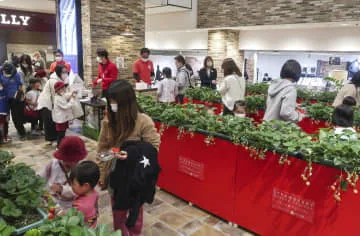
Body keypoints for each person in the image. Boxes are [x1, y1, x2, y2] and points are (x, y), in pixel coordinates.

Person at [96, 79, 160, 235]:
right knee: (118, 211)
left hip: (135, 177)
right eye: (110, 101)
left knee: (135, 214)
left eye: (114, 101)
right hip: (115, 176)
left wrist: (131, 154)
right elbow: (102, 148)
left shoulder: (143, 121)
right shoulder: (108, 121)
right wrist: (102, 174)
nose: (111, 104)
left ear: (126, 102)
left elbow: (153, 148)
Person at [40, 136, 88, 209]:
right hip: (51, 204)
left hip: (69, 206)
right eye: (70, 160)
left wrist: (61, 189)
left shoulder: (81, 169)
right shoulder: (52, 165)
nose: (73, 163)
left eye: (76, 160)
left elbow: (81, 190)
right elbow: (40, 180)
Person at [38, 64, 70, 145]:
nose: (65, 73)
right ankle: (54, 140)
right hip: (47, 102)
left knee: (54, 121)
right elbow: (55, 95)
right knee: (50, 121)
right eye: (63, 72)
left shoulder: (59, 78)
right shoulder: (54, 81)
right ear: (58, 72)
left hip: (52, 101)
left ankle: (56, 139)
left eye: (66, 72)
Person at [70, 161, 100, 228]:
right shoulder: (95, 193)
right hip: (92, 225)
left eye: (73, 184)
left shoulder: (80, 206)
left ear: (86, 186)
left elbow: (71, 220)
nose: (71, 186)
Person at [0, 63, 26, 139]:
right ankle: (4, 134)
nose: (7, 75)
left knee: (16, 117)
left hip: (14, 98)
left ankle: (21, 132)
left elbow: (20, 85)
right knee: (4, 117)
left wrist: (21, 94)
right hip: (3, 98)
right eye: (5, 73)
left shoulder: (16, 74)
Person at [52, 81, 76, 147]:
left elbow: (65, 96)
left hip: (63, 118)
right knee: (61, 134)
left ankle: (62, 145)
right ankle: (59, 147)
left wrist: (71, 93)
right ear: (58, 90)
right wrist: (72, 100)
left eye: (63, 88)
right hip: (60, 119)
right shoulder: (57, 98)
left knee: (63, 132)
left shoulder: (61, 95)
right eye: (61, 88)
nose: (63, 89)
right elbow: (65, 106)